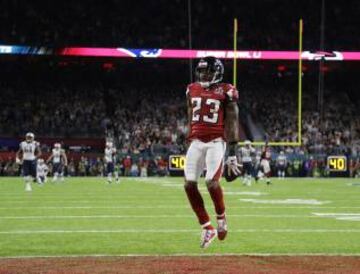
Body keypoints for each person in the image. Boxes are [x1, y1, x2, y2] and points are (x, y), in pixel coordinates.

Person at [184, 56, 241, 248]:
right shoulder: (191, 88)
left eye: (207, 71)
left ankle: (221, 218)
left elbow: (232, 120)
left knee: (211, 182)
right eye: (201, 71)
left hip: (216, 141)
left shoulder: (226, 90)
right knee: (189, 184)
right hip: (196, 141)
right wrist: (189, 138)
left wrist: (232, 152)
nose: (203, 75)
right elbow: (190, 115)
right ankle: (207, 227)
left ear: (217, 72)